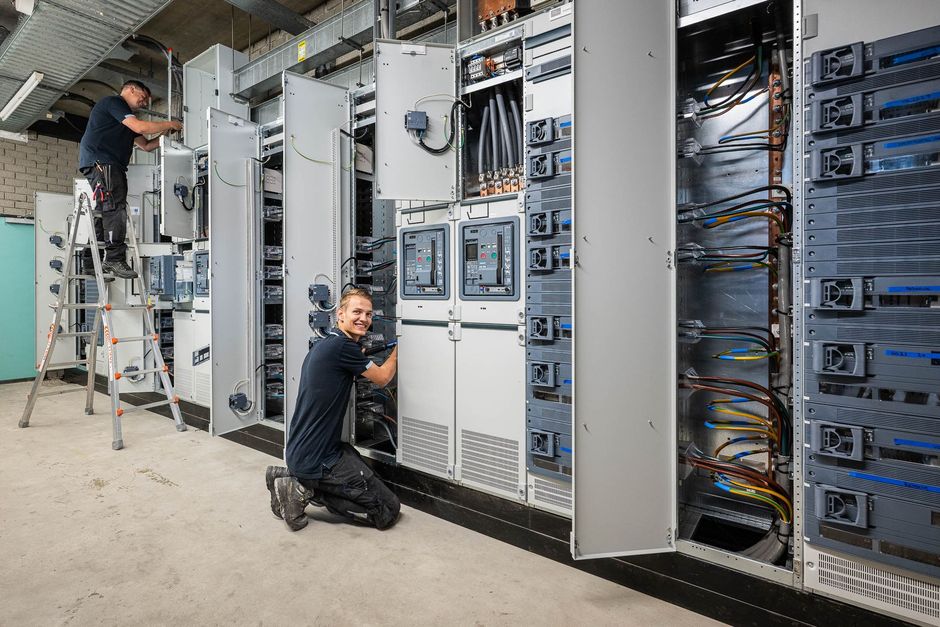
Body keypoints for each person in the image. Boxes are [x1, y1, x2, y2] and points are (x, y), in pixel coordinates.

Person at [266, 288, 401, 531]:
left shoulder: (328, 343)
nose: (364, 319)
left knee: (363, 473)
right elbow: (382, 378)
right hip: (318, 458)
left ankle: (288, 475)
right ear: (340, 314)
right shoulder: (343, 349)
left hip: (309, 450)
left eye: (369, 314)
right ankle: (300, 489)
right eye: (357, 312)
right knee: (388, 510)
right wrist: (401, 346)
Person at [78, 80, 182, 279]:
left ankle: (92, 262)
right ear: (131, 89)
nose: (143, 103)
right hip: (104, 162)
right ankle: (115, 259)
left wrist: (165, 133)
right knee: (115, 208)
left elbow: (147, 146)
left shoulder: (124, 120)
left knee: (104, 211)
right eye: (142, 98)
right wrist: (169, 122)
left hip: (105, 164)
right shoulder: (114, 103)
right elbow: (141, 127)